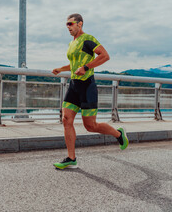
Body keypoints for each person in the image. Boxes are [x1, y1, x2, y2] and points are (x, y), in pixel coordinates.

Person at [52, 13, 128, 169]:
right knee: (66, 119)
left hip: (87, 86)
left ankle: (119, 134)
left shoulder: (88, 39)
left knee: (90, 126)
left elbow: (105, 56)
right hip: (73, 86)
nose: (68, 27)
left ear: (80, 24)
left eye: (70, 24)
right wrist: (61, 69)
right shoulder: (71, 43)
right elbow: (75, 64)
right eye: (66, 24)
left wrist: (87, 67)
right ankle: (71, 158)